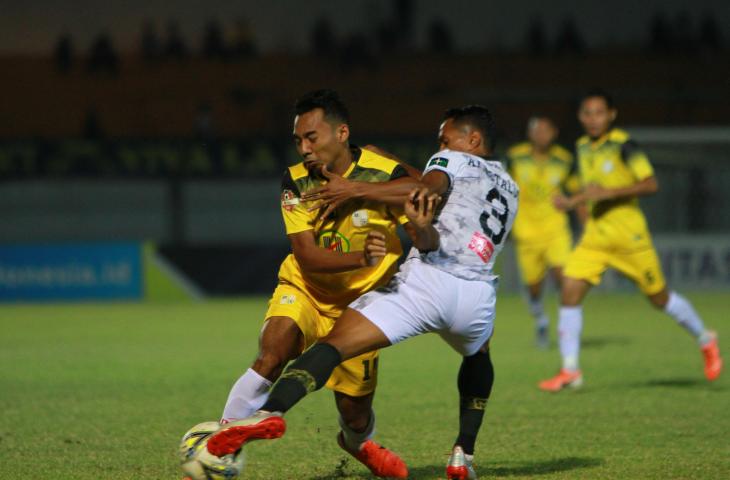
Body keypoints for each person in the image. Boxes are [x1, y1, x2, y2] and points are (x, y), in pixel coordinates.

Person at [206, 105, 519, 480]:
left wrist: (357, 187)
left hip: (423, 284)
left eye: (445, 138)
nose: (440, 144)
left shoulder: (442, 161)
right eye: (299, 140)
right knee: (478, 355)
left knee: (337, 359)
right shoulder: (509, 185)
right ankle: (463, 453)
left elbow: (425, 188)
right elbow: (431, 222)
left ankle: (276, 415)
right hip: (476, 295)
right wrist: (404, 185)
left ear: (472, 140)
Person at [213, 89, 419, 477]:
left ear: (342, 133)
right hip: (306, 288)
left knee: (354, 412)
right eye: (298, 140)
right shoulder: (295, 181)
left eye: (312, 137)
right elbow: (306, 255)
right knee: (273, 352)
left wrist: (396, 173)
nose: (304, 148)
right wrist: (363, 257)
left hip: (362, 307)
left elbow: (426, 197)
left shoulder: (382, 173)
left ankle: (356, 443)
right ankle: (218, 450)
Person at [538, 89, 723, 392]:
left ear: (611, 115)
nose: (593, 119)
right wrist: (573, 202)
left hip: (629, 238)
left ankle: (706, 338)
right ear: (581, 117)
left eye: (599, 112)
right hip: (596, 238)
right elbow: (594, 188)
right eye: (587, 113)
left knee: (659, 298)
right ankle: (570, 370)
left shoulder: (625, 146)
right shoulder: (583, 147)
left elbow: (651, 184)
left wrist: (607, 194)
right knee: (569, 293)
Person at [507, 116, 579, 347]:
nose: (541, 135)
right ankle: (540, 320)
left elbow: (577, 193)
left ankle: (565, 326)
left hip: (556, 229)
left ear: (554, 133)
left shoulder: (565, 160)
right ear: (530, 134)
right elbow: (502, 189)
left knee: (564, 277)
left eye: (546, 131)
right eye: (537, 131)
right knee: (534, 287)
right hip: (526, 232)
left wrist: (574, 206)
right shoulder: (515, 156)